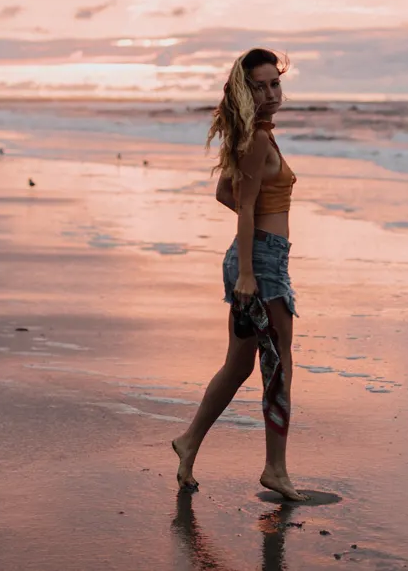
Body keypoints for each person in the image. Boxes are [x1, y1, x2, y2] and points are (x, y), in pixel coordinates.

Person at [171, 48, 305, 502]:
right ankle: (275, 469)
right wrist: (249, 270)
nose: (272, 94)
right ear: (246, 92)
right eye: (261, 86)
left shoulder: (257, 134)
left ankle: (188, 442)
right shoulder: (259, 140)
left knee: (239, 365)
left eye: (276, 84)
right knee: (278, 366)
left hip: (263, 257)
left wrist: (260, 230)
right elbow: (241, 205)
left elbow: (224, 191)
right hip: (261, 265)